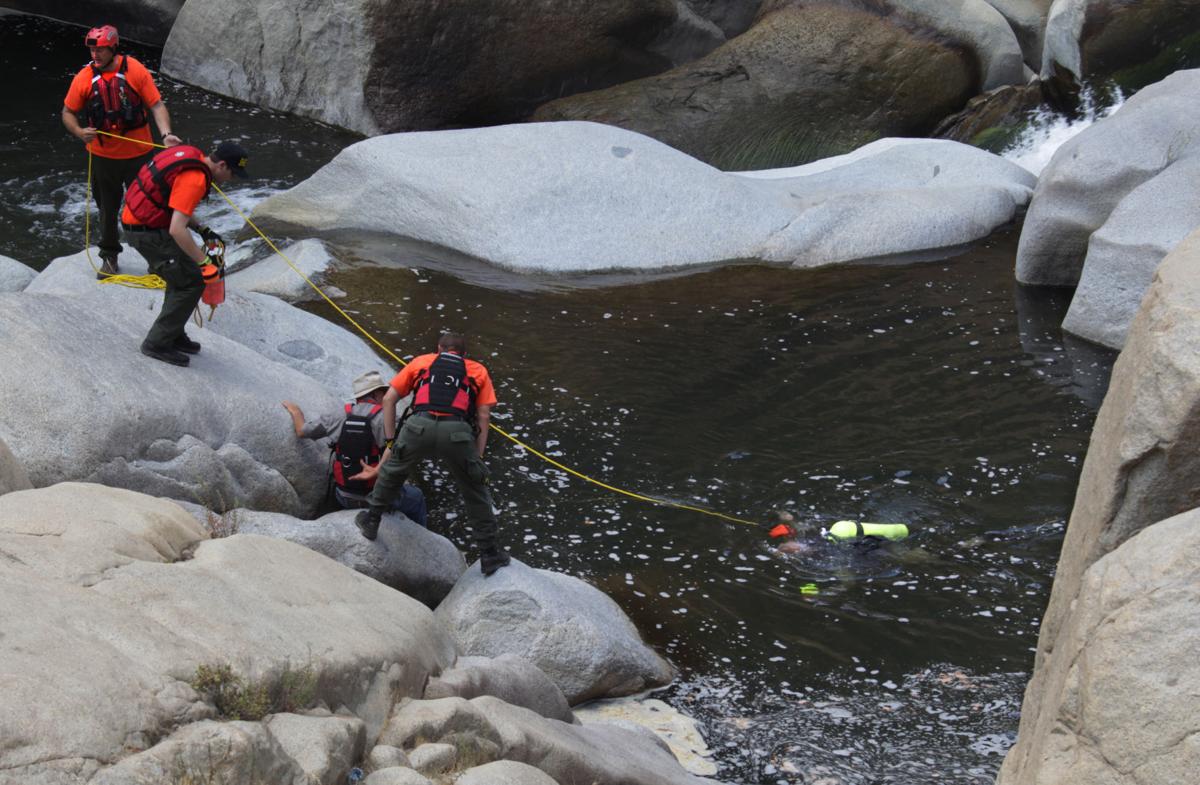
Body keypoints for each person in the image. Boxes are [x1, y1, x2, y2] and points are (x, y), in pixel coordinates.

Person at [352, 333, 511, 576]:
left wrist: (392, 439)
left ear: (438, 350)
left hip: (418, 428)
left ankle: (372, 520)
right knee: (475, 491)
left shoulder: (422, 362)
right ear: (464, 354)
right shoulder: (477, 370)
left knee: (393, 472)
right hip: (456, 434)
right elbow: (483, 416)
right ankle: (489, 554)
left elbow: (389, 400)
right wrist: (476, 458)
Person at [62, 24, 182, 278]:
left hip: (139, 155)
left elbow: (157, 105)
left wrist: (166, 134)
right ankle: (109, 257)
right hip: (104, 158)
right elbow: (67, 113)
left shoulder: (134, 70)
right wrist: (79, 132)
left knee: (150, 207)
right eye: (93, 49)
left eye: (101, 50)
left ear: (113, 48)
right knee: (107, 209)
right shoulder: (84, 78)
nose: (95, 54)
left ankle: (157, 260)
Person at [120, 139, 248, 366]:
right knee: (193, 281)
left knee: (179, 275)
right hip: (146, 233)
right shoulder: (195, 179)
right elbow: (177, 229)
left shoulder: (194, 156)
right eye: (233, 173)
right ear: (222, 166)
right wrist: (205, 264)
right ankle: (157, 343)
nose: (232, 179)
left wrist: (203, 229)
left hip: (143, 223)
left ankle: (173, 332)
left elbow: (176, 206)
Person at [282, 370, 428, 525]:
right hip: (376, 499)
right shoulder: (388, 419)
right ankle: (423, 538)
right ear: (376, 394)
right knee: (416, 496)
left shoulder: (338, 415)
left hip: (343, 496)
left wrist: (296, 411)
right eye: (384, 394)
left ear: (359, 397)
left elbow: (301, 431)